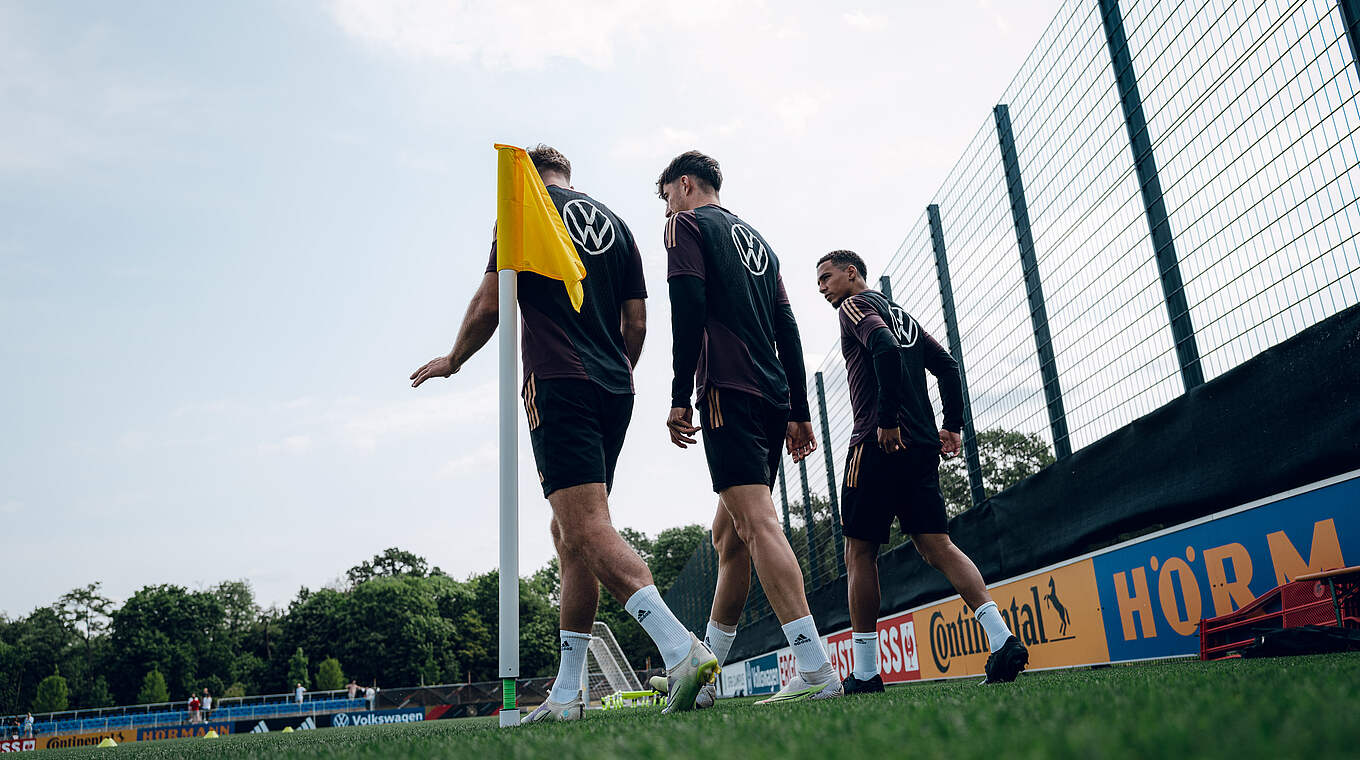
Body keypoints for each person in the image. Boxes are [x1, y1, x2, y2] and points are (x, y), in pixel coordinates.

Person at [410, 145, 715, 721]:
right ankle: (566, 695)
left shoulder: (523, 208)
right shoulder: (616, 223)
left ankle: (681, 651)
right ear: (567, 171)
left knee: (587, 527)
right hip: (614, 385)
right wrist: (613, 370)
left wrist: (454, 358)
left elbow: (491, 301)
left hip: (558, 380)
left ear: (528, 169)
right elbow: (638, 321)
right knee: (569, 531)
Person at [657, 150, 841, 706]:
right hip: (769, 394)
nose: (665, 205)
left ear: (685, 185)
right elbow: (787, 326)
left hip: (728, 391)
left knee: (757, 523)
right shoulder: (759, 241)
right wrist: (797, 409)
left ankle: (814, 667)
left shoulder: (683, 224)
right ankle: (707, 673)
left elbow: (686, 308)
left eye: (665, 193)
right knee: (729, 535)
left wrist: (679, 395)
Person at [814, 250, 1029, 691]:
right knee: (939, 546)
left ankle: (868, 672)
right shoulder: (903, 315)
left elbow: (883, 349)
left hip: (876, 444)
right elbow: (948, 367)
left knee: (860, 553)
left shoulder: (857, 306)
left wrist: (887, 419)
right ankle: (1001, 638)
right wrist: (951, 426)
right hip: (921, 448)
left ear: (852, 273)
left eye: (826, 278)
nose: (822, 288)